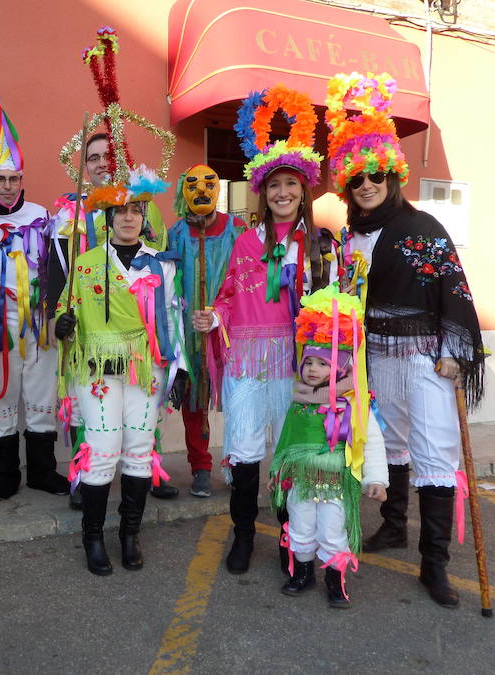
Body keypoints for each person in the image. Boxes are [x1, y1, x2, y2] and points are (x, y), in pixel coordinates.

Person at [326, 72, 485, 608]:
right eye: (356, 179)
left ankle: (433, 562)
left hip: (422, 359)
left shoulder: (425, 227)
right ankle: (392, 525)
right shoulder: (348, 239)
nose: (366, 184)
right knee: (387, 447)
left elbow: (455, 290)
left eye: (375, 175)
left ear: (391, 176)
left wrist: (453, 351)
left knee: (435, 451)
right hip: (372, 361)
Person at [192, 85, 336, 576]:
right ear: (262, 191)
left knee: (290, 452)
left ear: (304, 190)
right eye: (274, 186)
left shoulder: (321, 246)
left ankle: (290, 538)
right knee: (248, 451)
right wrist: (214, 317)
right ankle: (244, 534)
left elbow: (332, 310)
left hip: (299, 363)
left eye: (291, 185)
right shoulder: (245, 240)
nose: (282, 194)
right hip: (249, 362)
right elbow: (229, 297)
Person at [55, 166, 186, 576]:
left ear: (144, 218)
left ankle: (130, 535)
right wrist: (62, 323)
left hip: (146, 370)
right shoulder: (86, 263)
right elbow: (65, 306)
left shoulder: (160, 265)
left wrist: (180, 367)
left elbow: (172, 319)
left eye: (135, 210)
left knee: (139, 454)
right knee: (101, 453)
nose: (128, 217)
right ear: (108, 219)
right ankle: (92, 538)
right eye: (120, 211)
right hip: (98, 371)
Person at [269, 286, 388, 608]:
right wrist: (278, 471)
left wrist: (376, 478)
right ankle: (303, 573)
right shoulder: (296, 401)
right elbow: (286, 440)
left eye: (321, 364)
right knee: (300, 527)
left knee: (333, 531)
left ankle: (336, 582)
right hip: (301, 483)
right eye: (308, 363)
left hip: (336, 485)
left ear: (341, 368)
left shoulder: (353, 404)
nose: (311, 370)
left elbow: (371, 441)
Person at [0, 95, 69, 501]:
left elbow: (60, 264)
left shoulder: (41, 216)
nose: (9, 186)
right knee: (0, 390)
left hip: (38, 320)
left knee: (41, 390)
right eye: (2, 179)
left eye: (14, 179)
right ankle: (5, 473)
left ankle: (43, 471)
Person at [167, 165, 245, 497]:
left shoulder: (237, 229)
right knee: (194, 400)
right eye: (192, 184)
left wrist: (224, 312)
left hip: (232, 329)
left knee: (241, 399)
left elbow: (247, 275)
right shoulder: (175, 233)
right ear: (183, 191)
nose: (201, 190)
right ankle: (200, 466)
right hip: (189, 331)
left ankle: (239, 463)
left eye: (209, 183)